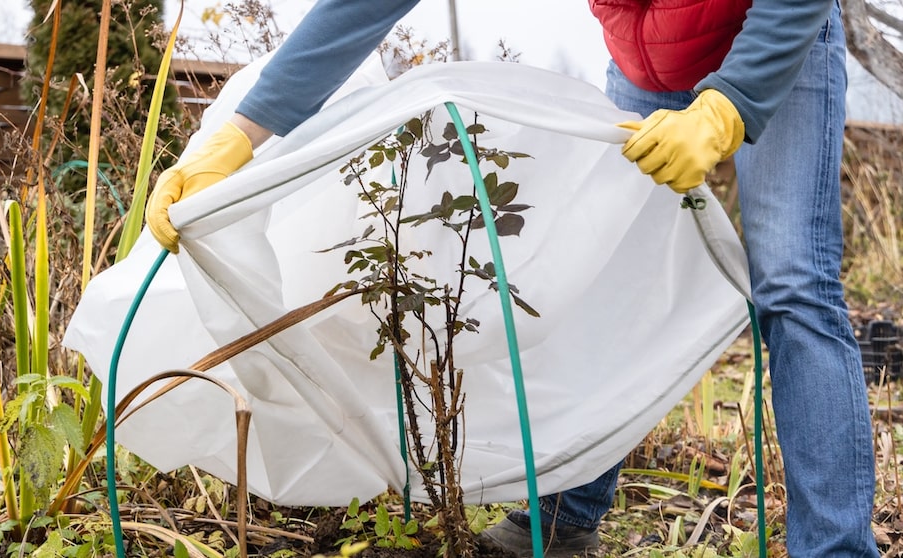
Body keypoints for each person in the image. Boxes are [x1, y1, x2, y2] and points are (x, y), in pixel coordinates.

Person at [145, 0, 879, 556]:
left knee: (792, 285)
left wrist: (730, 106)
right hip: (645, 61)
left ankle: (835, 545)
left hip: (770, 35)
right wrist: (239, 134)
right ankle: (565, 517)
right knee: (599, 275)